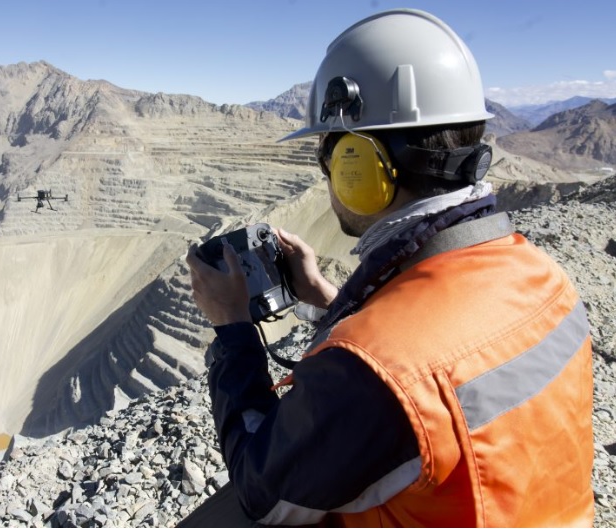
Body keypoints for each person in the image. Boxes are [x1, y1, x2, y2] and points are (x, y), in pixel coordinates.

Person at [184, 8, 594, 527]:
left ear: (361, 162)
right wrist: (329, 298)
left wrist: (233, 329)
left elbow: (259, 490)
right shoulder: (543, 277)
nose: (329, 180)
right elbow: (442, 351)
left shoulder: (375, 370)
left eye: (330, 159)